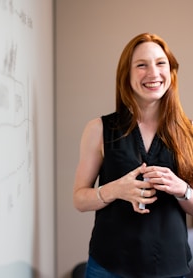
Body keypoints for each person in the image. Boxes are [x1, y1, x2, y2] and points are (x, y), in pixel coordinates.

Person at [73, 33, 193, 277]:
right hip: (108, 268)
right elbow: (79, 199)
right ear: (126, 75)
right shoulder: (98, 129)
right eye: (141, 65)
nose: (153, 73)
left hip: (171, 268)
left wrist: (182, 189)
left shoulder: (190, 133)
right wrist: (115, 190)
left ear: (171, 71)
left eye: (160, 63)